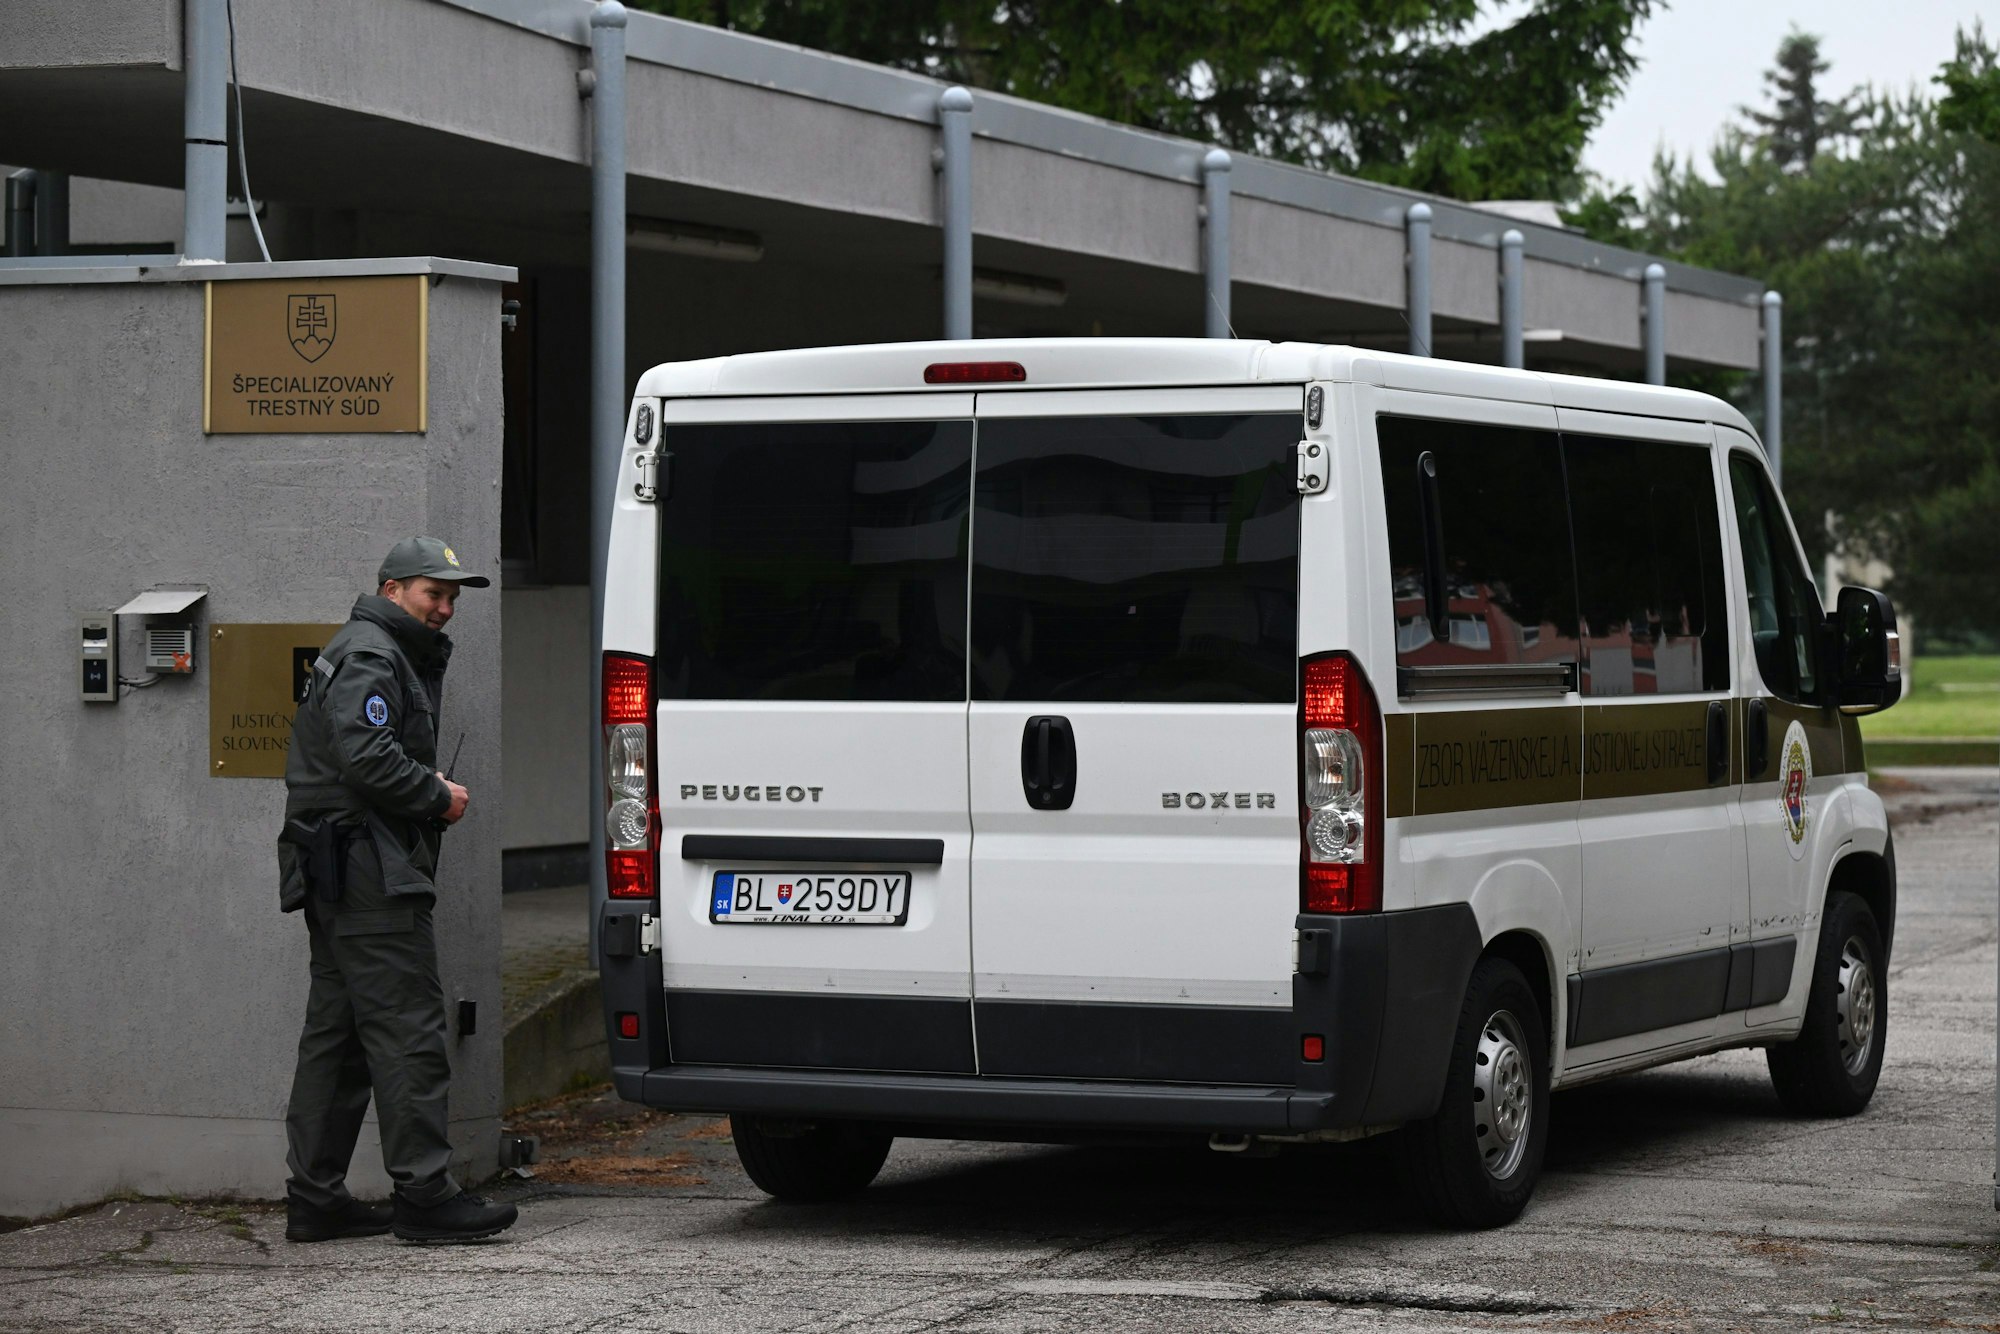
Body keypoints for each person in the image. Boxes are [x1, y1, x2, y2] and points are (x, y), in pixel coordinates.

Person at [276, 537, 517, 1245]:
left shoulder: (377, 650)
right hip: (368, 872)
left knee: (341, 1034)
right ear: (391, 590)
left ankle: (316, 1197)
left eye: (451, 598)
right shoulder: (373, 654)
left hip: (345, 869)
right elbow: (366, 755)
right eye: (430, 593)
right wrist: (434, 794)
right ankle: (425, 1194)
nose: (444, 608)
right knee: (409, 1028)